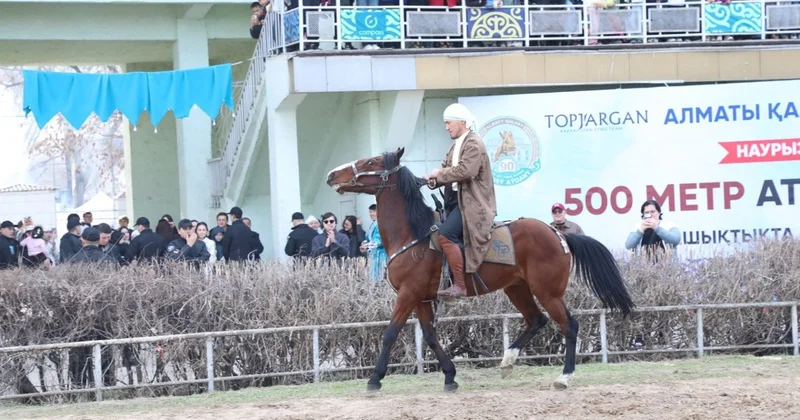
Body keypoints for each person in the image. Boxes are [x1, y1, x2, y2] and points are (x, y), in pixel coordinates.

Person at [424, 103, 497, 299]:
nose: (446, 127)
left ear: (462, 122)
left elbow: (466, 171)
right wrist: (431, 180)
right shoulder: (455, 147)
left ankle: (459, 285)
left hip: (473, 205)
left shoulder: (474, 144)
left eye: (448, 123)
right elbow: (445, 171)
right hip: (457, 203)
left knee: (446, 235)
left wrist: (439, 174)